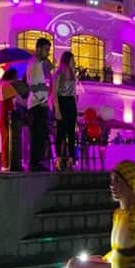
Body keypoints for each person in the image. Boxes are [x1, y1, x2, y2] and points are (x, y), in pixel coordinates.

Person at [26, 37, 53, 171]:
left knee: (39, 135)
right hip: (37, 104)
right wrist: (43, 100)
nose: (48, 53)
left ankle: (36, 162)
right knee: (38, 135)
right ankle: (35, 163)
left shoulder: (36, 63)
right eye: (46, 50)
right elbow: (33, 84)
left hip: (37, 103)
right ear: (39, 49)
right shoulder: (35, 64)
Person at [51, 51, 78, 171]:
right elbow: (54, 93)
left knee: (71, 133)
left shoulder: (73, 74)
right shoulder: (58, 73)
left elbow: (74, 92)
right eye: (72, 60)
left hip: (71, 103)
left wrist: (76, 105)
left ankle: (71, 159)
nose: (74, 62)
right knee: (60, 133)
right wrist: (57, 109)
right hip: (62, 102)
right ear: (67, 61)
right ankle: (59, 159)